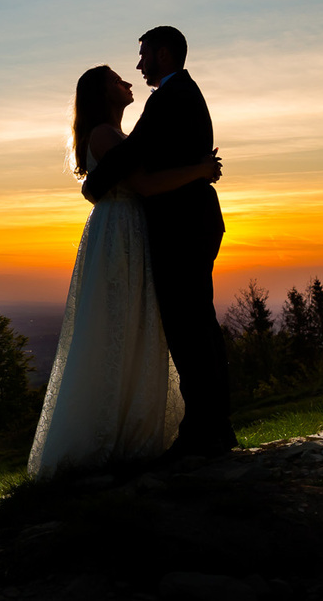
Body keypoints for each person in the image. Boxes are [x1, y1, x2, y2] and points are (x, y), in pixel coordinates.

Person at [28, 64, 222, 478]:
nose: (129, 82)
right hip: (122, 232)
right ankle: (112, 432)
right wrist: (201, 169)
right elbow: (146, 184)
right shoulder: (103, 133)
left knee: (130, 325)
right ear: (102, 93)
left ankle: (132, 424)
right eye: (118, 80)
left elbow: (115, 178)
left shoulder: (114, 134)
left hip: (126, 228)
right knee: (121, 323)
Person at [82, 26, 236, 459]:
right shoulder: (181, 94)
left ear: (164, 55)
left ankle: (203, 431)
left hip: (183, 225)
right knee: (197, 324)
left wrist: (93, 185)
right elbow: (141, 156)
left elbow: (132, 157)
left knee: (189, 330)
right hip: (193, 221)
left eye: (144, 55)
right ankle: (213, 425)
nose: (138, 65)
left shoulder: (169, 97)